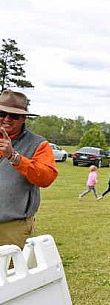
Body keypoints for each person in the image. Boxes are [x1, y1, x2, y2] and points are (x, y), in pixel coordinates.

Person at [0, 90, 58, 247]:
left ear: (24, 117)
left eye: (14, 115)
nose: (6, 119)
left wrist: (14, 157)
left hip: (12, 227)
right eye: (2, 113)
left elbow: (46, 178)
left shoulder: (38, 144)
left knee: (10, 271)